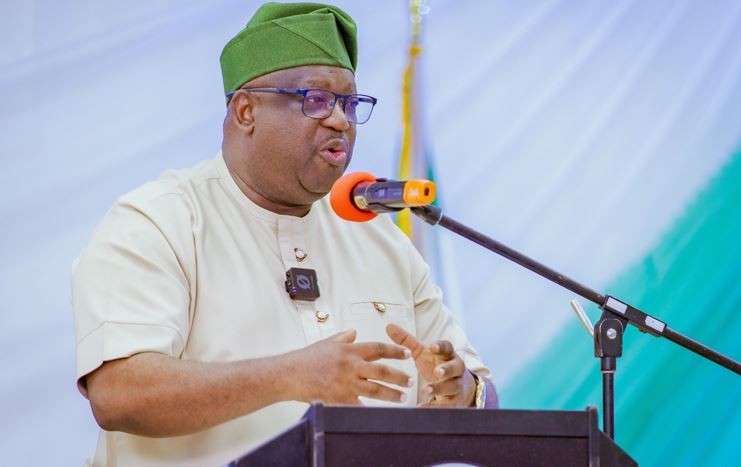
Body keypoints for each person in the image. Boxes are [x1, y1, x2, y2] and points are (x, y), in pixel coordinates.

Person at [72, 2, 497, 465]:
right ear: (246, 111)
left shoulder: (381, 238)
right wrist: (289, 375)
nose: (341, 120)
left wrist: (462, 390)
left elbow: (485, 394)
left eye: (350, 103)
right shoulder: (158, 221)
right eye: (316, 99)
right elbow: (119, 394)